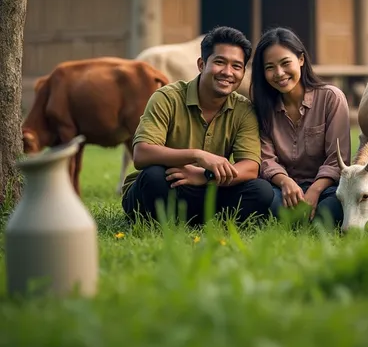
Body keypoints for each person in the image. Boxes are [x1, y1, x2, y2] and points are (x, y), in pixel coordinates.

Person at [122, 26, 274, 226]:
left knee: (261, 190)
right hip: (168, 184)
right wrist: (197, 156)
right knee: (154, 176)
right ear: (202, 64)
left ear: (243, 71)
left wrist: (204, 176)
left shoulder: (244, 109)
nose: (228, 72)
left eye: (236, 66)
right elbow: (142, 154)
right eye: (219, 62)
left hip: (208, 186)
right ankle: (181, 219)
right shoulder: (167, 97)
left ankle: (189, 220)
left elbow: (250, 168)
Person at [251, 27, 351, 228]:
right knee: (265, 199)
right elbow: (266, 160)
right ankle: (295, 217)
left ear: (301, 60)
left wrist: (314, 190)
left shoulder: (331, 98)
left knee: (334, 208)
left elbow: (337, 159)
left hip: (326, 188)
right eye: (269, 67)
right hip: (282, 189)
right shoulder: (262, 108)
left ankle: (308, 217)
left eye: (285, 63)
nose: (279, 73)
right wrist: (286, 183)